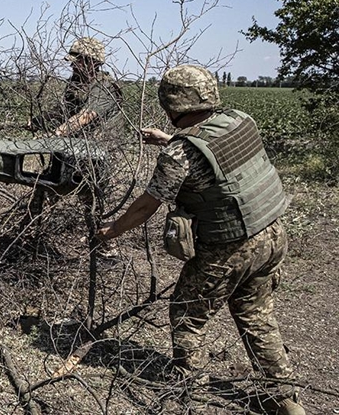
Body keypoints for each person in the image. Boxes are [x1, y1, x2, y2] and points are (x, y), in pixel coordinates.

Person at [97, 65, 304, 415]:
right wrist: (169, 140)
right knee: (256, 316)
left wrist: (111, 231)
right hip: (272, 235)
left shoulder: (179, 154)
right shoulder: (240, 120)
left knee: (186, 316)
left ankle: (188, 391)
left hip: (229, 248)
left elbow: (146, 206)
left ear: (172, 103)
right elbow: (216, 156)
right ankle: (286, 400)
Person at [26, 37, 123, 255]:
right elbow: (63, 111)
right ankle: (33, 234)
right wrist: (39, 121)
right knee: (45, 186)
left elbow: (86, 116)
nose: (72, 65)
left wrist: (57, 133)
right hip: (74, 148)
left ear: (92, 62)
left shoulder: (104, 87)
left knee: (94, 200)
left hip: (98, 153)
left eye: (77, 60)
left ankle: (106, 248)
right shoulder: (75, 84)